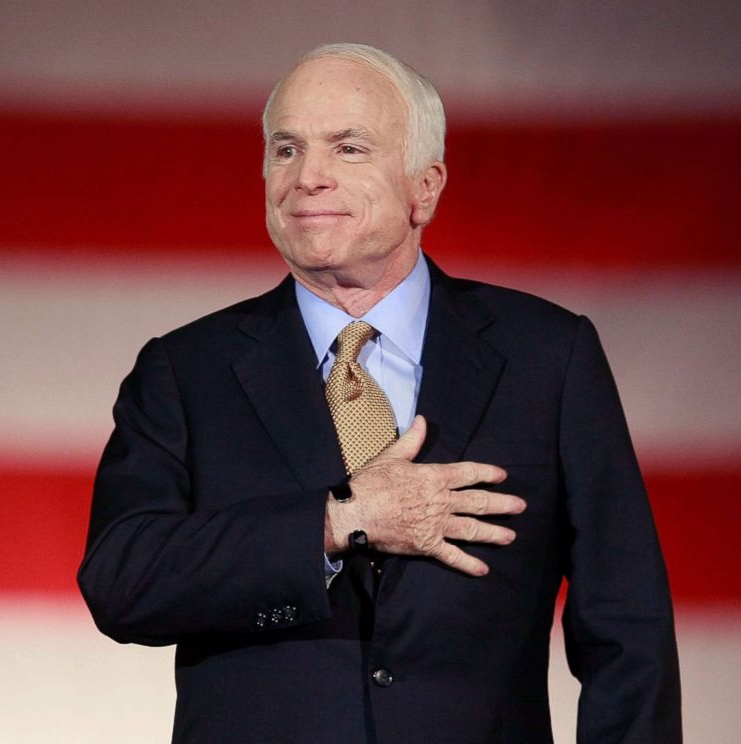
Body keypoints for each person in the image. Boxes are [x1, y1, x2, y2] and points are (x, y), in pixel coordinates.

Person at [78, 42, 681, 743]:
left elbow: (628, 631)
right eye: (285, 150)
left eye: (349, 148)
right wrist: (335, 522)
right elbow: (122, 581)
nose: (308, 177)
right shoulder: (185, 370)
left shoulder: (548, 356)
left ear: (425, 186)